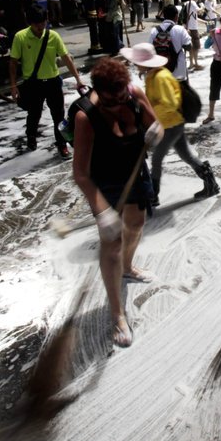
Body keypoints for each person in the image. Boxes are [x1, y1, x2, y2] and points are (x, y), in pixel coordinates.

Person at [71, 57, 162, 347]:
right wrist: (102, 212)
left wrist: (156, 132)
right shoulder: (86, 117)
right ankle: (117, 313)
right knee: (112, 244)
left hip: (135, 169)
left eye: (122, 97)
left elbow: (155, 124)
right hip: (105, 180)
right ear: (98, 92)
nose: (117, 104)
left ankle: (127, 268)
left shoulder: (133, 94)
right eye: (111, 101)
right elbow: (80, 174)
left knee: (136, 224)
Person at [121, 43, 219, 206]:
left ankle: (153, 195)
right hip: (171, 123)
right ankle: (211, 184)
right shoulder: (153, 76)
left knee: (157, 159)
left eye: (136, 62)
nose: (134, 65)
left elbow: (170, 103)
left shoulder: (160, 78)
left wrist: (155, 120)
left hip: (170, 125)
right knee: (186, 155)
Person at [9, 4, 86, 157]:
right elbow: (13, 62)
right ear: (30, 23)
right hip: (33, 84)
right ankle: (31, 137)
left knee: (58, 116)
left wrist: (78, 78)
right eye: (37, 24)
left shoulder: (53, 36)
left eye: (43, 23)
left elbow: (66, 57)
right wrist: (13, 85)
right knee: (34, 113)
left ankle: (61, 144)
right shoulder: (20, 37)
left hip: (53, 82)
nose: (40, 27)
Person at [149, 4, 193, 82]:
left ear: (163, 16)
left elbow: (149, 49)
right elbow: (189, 47)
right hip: (178, 73)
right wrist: (187, 34)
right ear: (176, 16)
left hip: (160, 73)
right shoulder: (180, 29)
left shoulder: (154, 31)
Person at [184, 0, 203, 71]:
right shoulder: (193, 3)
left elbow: (193, 16)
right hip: (193, 28)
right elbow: (199, 11)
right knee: (196, 46)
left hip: (187, 27)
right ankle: (196, 63)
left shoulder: (186, 3)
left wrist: (204, 22)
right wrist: (202, 6)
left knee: (190, 47)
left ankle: (192, 63)